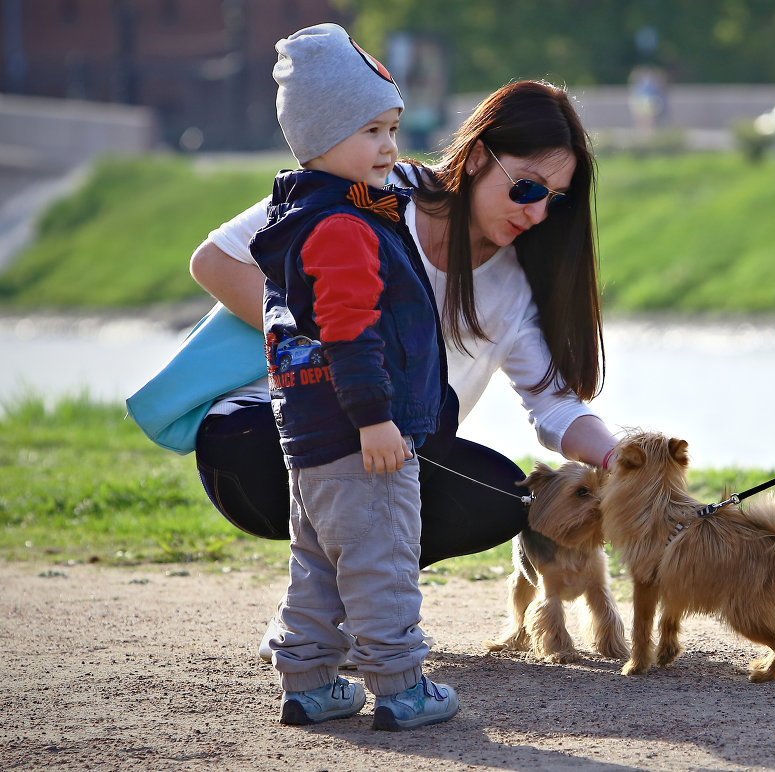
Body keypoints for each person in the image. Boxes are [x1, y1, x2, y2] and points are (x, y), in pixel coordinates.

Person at [189, 79, 617, 562]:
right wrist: (340, 347)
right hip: (269, 437)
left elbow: (555, 405)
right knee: (367, 427)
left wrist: (621, 460)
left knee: (506, 495)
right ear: (477, 156)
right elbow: (215, 261)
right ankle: (352, 587)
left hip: (390, 459)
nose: (538, 213)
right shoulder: (377, 190)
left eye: (554, 199)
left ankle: (350, 593)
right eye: (527, 188)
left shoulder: (515, 286)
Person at [252, 22, 456, 730]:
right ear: (318, 138)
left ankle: (309, 682)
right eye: (371, 131)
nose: (390, 148)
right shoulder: (341, 226)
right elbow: (350, 333)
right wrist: (376, 419)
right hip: (361, 432)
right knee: (383, 558)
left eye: (393, 128)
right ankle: (402, 687)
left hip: (308, 436)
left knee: (316, 560)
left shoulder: (300, 216)